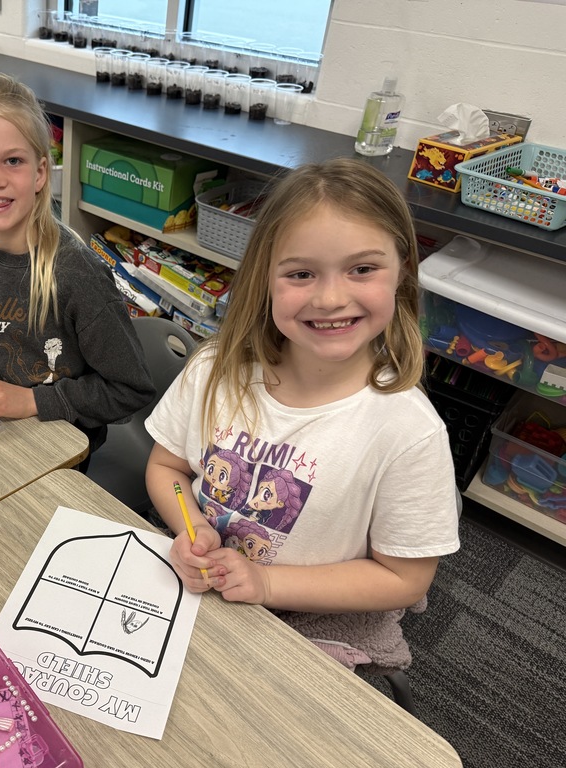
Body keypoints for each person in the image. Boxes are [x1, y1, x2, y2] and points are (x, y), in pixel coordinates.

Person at [145, 157, 460, 671]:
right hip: (207, 578)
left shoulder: (409, 432)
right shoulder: (214, 368)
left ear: (401, 273)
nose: (331, 298)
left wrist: (269, 583)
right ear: (265, 279)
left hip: (315, 610)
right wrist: (191, 525)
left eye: (362, 268)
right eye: (301, 273)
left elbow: (404, 579)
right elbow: (166, 467)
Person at [0, 73, 155, 462]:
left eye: (12, 161)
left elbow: (131, 391)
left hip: (56, 454)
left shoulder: (76, 275)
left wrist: (32, 400)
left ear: (40, 173)